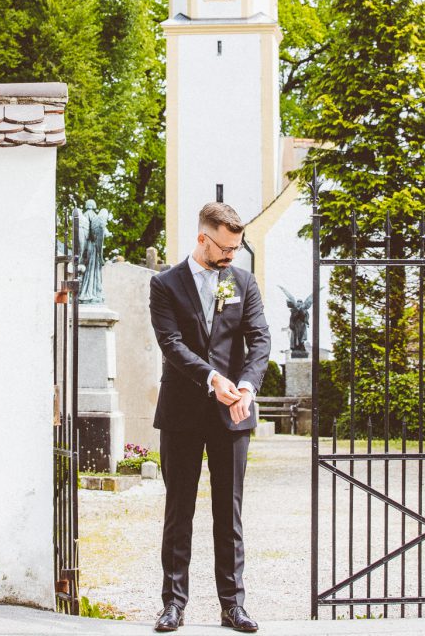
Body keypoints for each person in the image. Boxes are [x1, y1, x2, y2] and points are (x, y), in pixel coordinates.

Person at [149, 202, 271, 633]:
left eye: (237, 248)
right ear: (202, 238)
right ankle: (173, 604)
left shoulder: (243, 282)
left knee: (229, 512)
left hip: (233, 413)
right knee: (179, 511)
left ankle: (233, 606)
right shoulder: (165, 284)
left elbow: (260, 340)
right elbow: (171, 343)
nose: (231, 256)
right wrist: (213, 378)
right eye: (225, 248)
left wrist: (247, 388)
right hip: (182, 412)